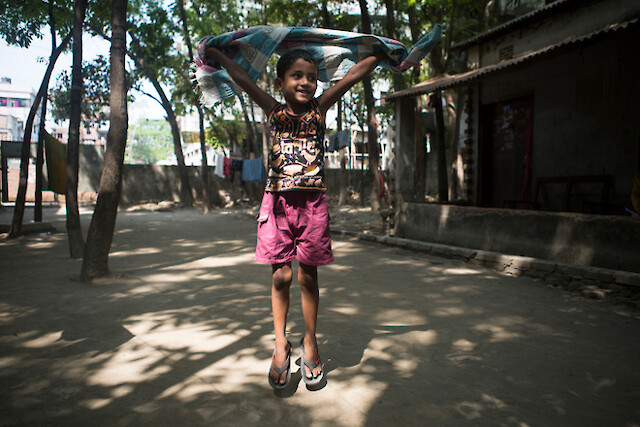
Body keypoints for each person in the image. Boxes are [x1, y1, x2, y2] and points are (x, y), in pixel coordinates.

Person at [204, 45, 384, 389]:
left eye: (312, 77)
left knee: (307, 278)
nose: (306, 83)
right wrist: (218, 54)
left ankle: (311, 342)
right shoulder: (272, 110)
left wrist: (379, 54)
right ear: (280, 81)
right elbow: (242, 78)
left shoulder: (320, 108)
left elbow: (352, 76)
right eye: (297, 76)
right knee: (281, 277)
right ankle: (280, 343)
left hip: (312, 204)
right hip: (276, 204)